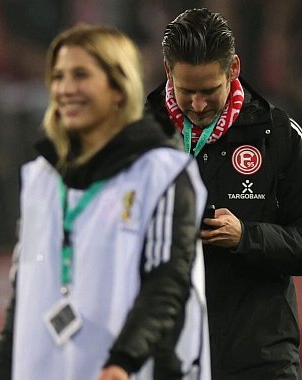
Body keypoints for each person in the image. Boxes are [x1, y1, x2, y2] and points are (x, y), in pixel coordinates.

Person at [0, 24, 209, 380]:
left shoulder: (161, 173)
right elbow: (22, 299)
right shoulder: (40, 179)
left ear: (118, 87)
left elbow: (167, 284)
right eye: (57, 77)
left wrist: (123, 361)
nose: (65, 89)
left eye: (81, 75)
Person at [144, 8, 302, 379]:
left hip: (260, 358)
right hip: (169, 355)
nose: (198, 105)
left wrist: (247, 236)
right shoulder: (140, 139)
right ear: (168, 72)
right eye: (187, 91)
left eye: (209, 91)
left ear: (233, 68)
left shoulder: (278, 135)